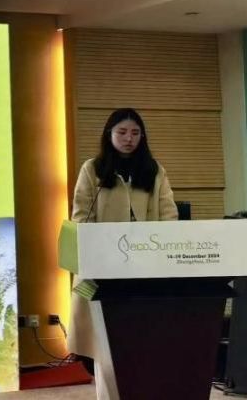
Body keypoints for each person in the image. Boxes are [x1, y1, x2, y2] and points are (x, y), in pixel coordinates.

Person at [66, 108, 178, 399]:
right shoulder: (93, 169)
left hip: (145, 264)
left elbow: (169, 215)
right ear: (109, 134)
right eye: (122, 132)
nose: (129, 138)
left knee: (143, 337)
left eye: (135, 133)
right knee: (104, 340)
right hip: (103, 264)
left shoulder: (154, 169)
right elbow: (81, 217)